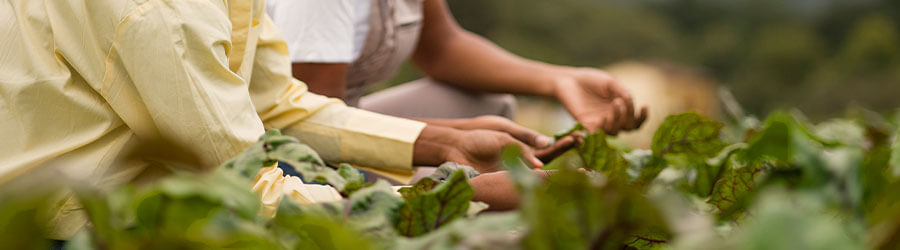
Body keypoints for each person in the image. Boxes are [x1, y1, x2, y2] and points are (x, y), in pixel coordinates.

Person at [0, 0, 583, 240]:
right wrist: (432, 207)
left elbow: (276, 102)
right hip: (72, 231)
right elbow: (244, 180)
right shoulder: (158, 11)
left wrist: (439, 142)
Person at [266, 0, 649, 134]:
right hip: (283, 151)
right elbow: (317, 124)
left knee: (485, 103)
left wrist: (562, 80)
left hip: (340, 122)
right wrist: (454, 138)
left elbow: (441, 46)